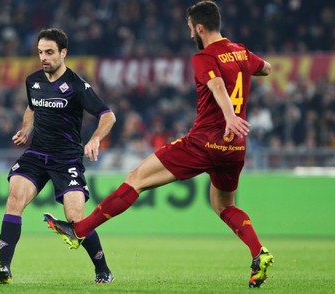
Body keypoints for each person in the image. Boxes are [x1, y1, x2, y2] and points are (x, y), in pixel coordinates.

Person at [43, 1, 274, 288]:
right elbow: (265, 68)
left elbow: (216, 87)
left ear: (199, 27)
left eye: (190, 27)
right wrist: (242, 71)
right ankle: (258, 253)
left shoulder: (204, 57)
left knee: (135, 180)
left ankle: (79, 231)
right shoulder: (239, 51)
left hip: (204, 142)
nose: (189, 31)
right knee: (225, 205)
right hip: (235, 146)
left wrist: (228, 116)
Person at [0, 28, 116, 284]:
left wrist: (95, 138)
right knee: (15, 199)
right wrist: (27, 127)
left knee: (76, 218)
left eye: (49, 52)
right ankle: (4, 267)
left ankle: (103, 270)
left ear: (63, 53)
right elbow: (32, 106)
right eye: (40, 52)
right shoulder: (33, 81)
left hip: (67, 159)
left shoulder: (76, 85)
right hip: (36, 154)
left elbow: (108, 115)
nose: (44, 57)